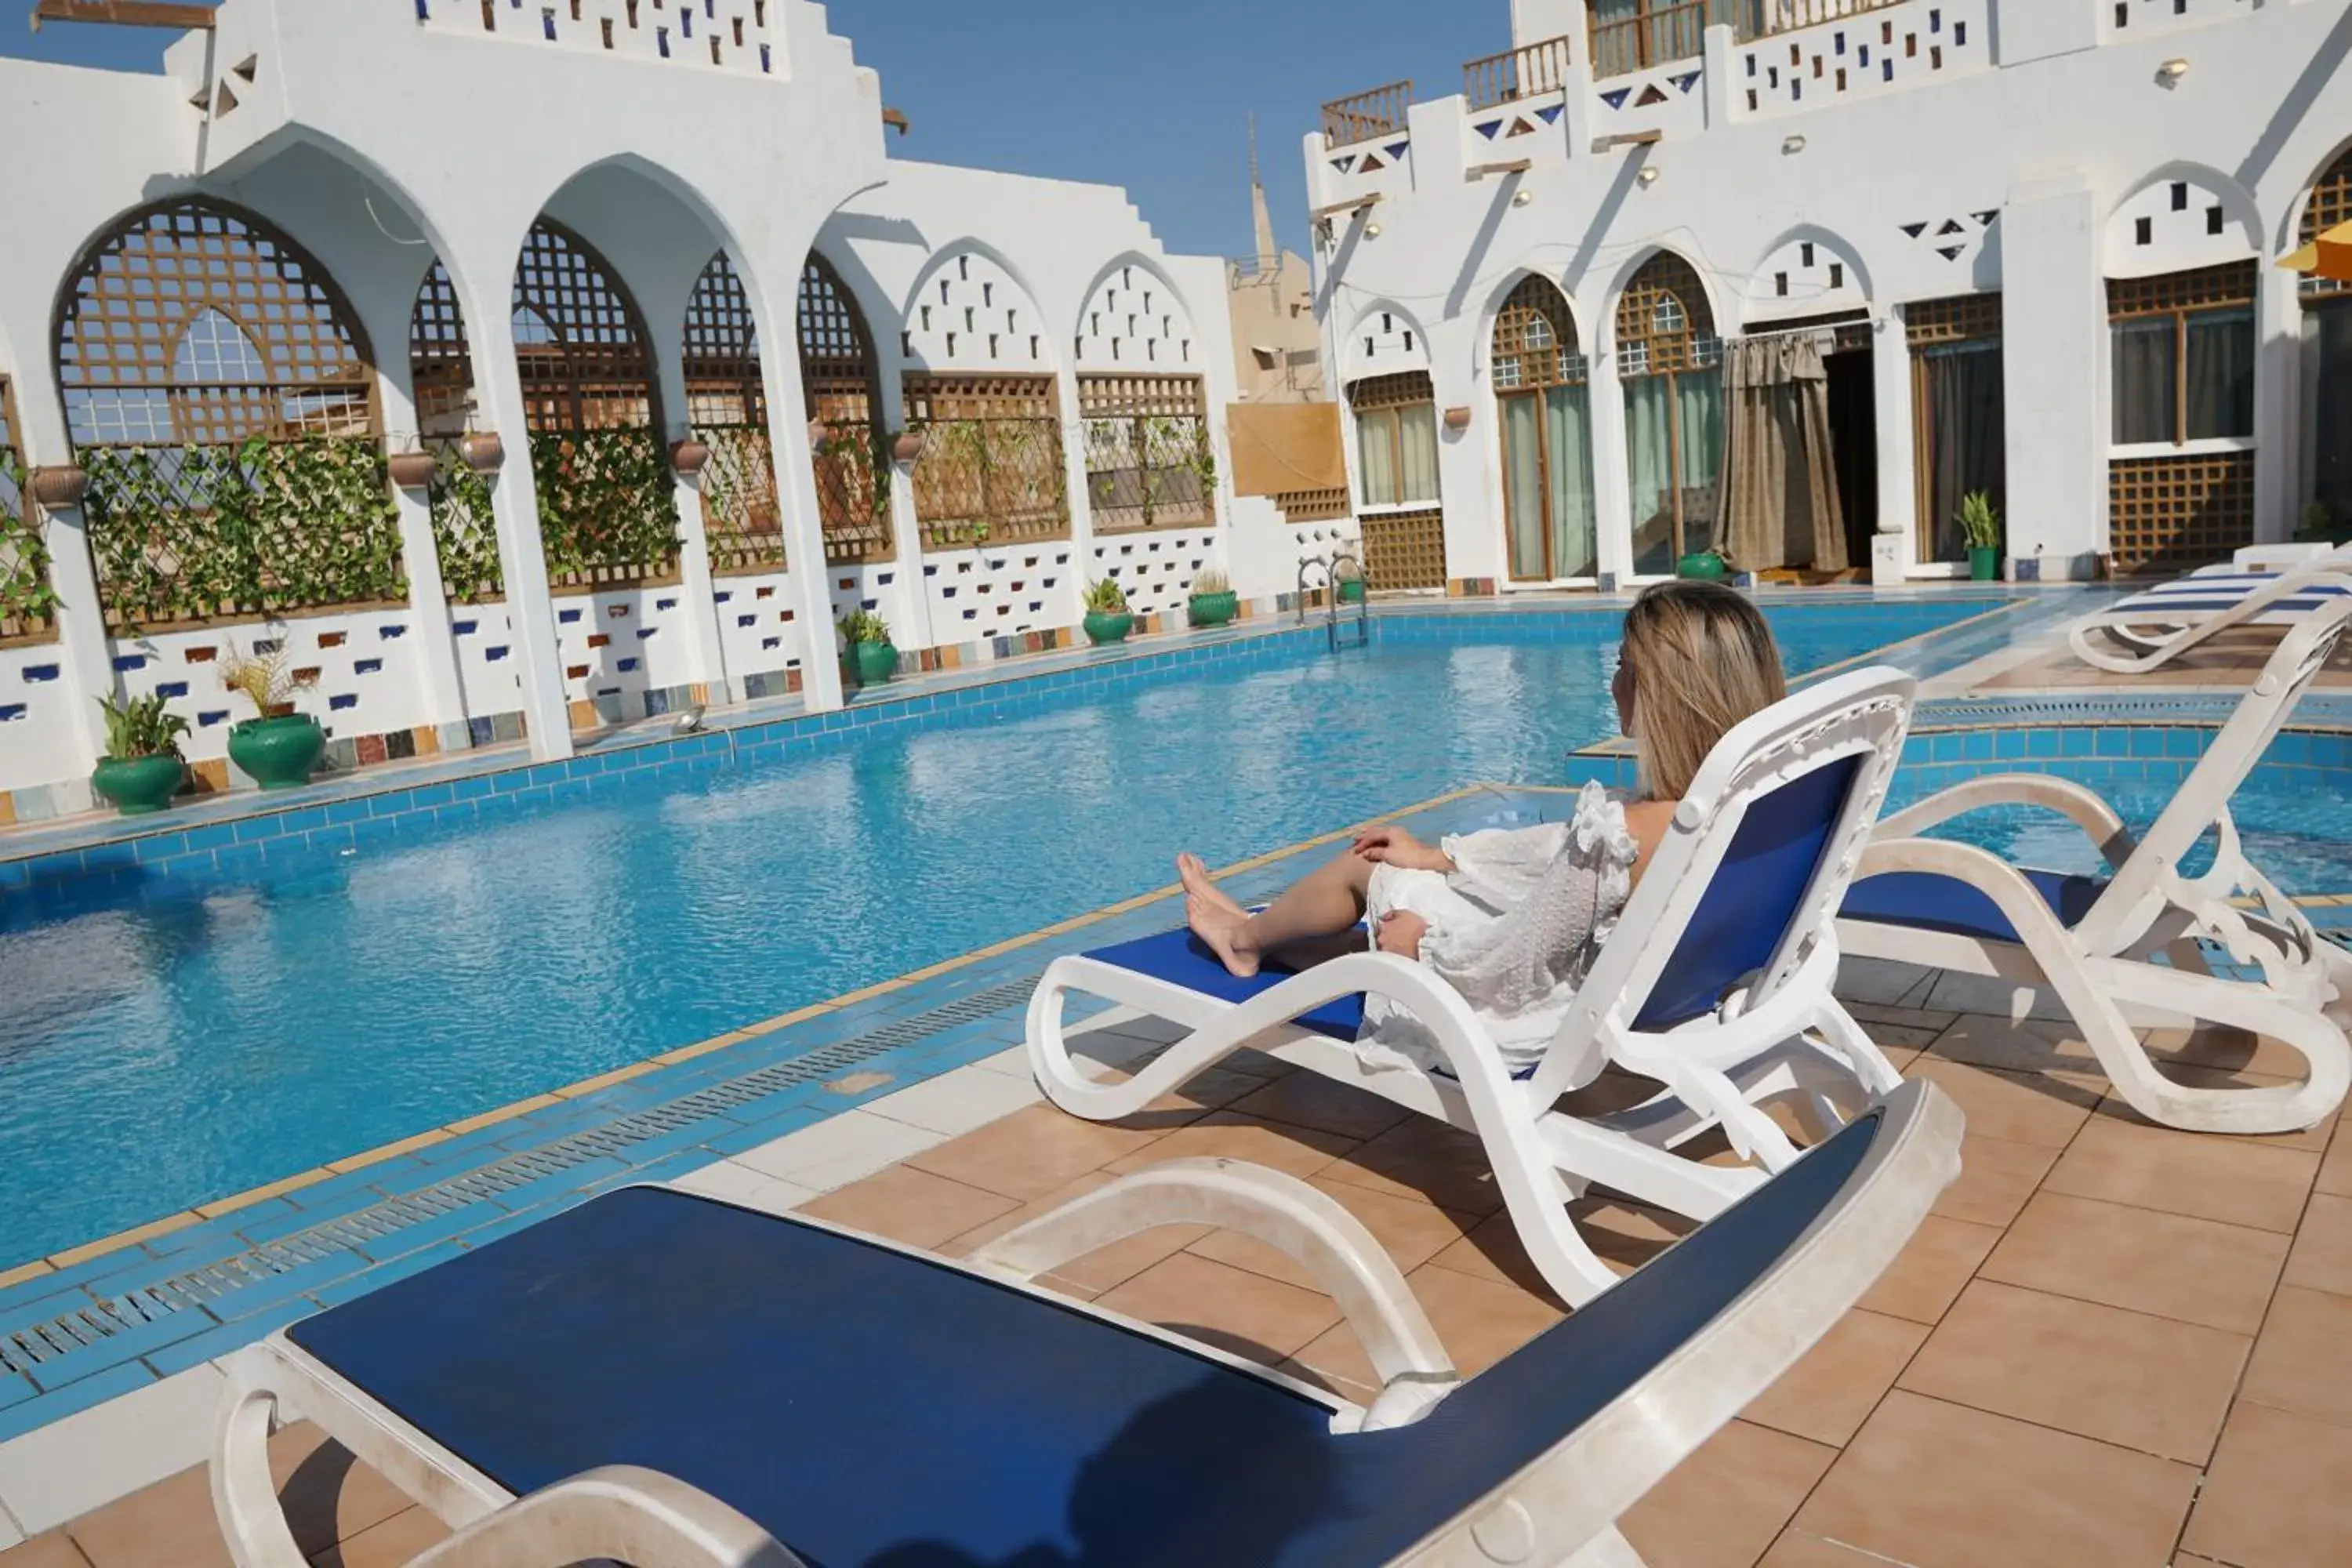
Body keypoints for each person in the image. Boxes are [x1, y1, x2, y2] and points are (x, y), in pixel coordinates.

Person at [1176, 579, 1788, 1073]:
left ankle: (1247, 942)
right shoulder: (1753, 803)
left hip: (1531, 1007)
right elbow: (1555, 854)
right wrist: (1442, 858)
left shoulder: (1620, 836)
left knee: (1372, 869)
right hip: (1648, 988)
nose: (1613, 683)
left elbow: (1516, 961)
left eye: (1625, 668)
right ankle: (1261, 931)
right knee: (1412, 885)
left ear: (1665, 693)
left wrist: (1425, 945)